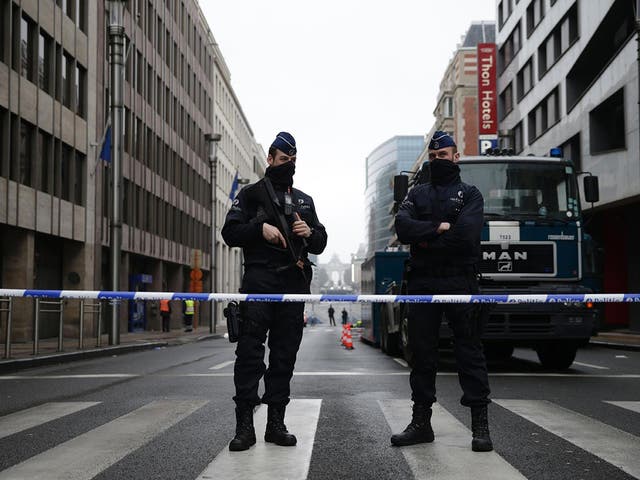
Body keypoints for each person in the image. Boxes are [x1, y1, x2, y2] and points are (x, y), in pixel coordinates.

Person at [221, 131, 328, 452]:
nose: (288, 165)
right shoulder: (251, 194)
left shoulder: (305, 200)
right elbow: (229, 232)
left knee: (284, 357)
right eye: (283, 160)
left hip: (293, 286)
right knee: (250, 355)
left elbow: (321, 242)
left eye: (293, 161)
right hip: (259, 282)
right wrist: (259, 229)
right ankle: (244, 427)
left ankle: (275, 423)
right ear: (270, 159)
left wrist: (309, 232)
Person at [392, 131, 492, 452]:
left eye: (443, 156)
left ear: (456, 157)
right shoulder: (416, 193)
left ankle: (480, 426)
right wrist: (437, 228)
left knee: (469, 351)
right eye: (433, 158)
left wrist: (424, 241)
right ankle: (421, 423)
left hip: (460, 280)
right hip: (422, 282)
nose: (437, 161)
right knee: (422, 354)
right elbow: (402, 228)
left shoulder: (470, 194)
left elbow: (466, 236)